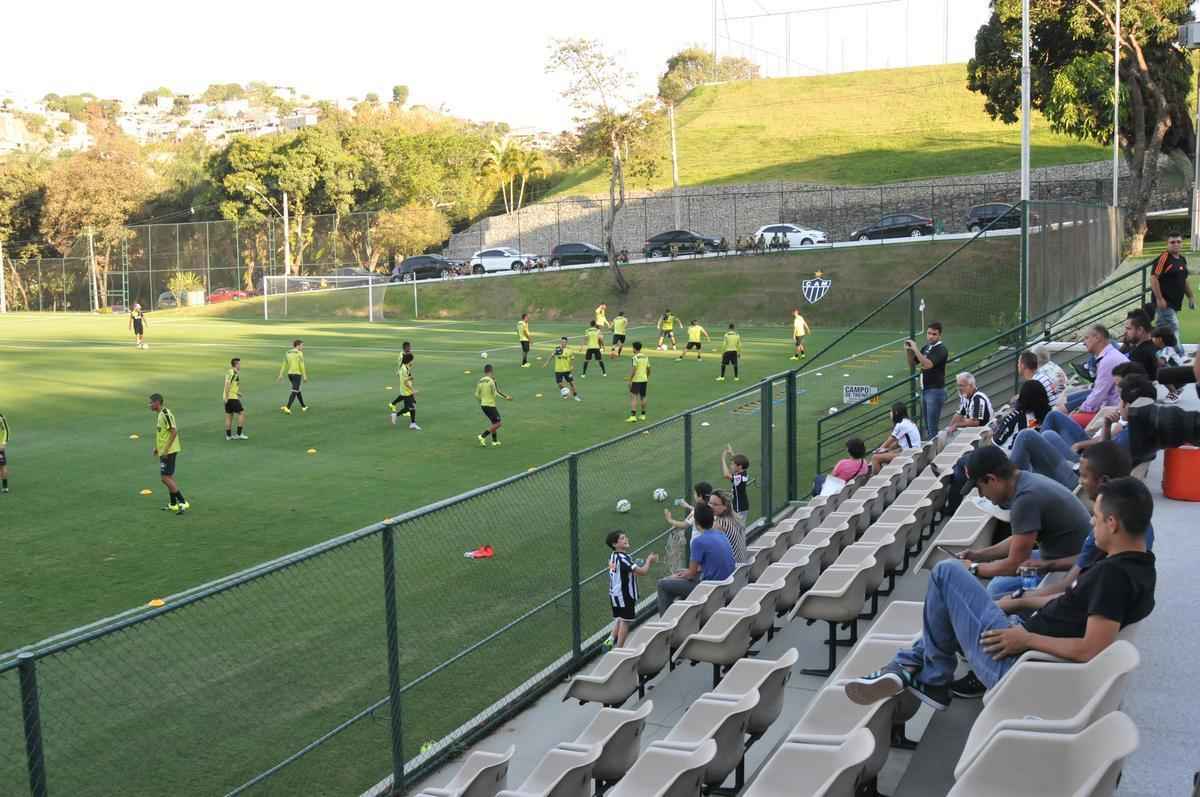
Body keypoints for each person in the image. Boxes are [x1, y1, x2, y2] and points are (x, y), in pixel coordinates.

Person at [845, 476, 1156, 710]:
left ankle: (929, 676)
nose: (1092, 522)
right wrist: (1016, 602)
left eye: (1097, 517)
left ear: (1113, 523)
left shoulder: (1113, 577)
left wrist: (1026, 639)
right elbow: (1069, 604)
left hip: (1016, 664)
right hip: (1022, 645)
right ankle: (906, 666)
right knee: (964, 601)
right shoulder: (1138, 567)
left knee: (945, 573)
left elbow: (1091, 648)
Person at [956, 446, 1091, 599]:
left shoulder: (1025, 499)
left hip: (1071, 565)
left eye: (979, 488)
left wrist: (973, 569)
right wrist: (979, 555)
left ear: (992, 479)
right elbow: (1020, 539)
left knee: (995, 594)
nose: (981, 494)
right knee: (998, 585)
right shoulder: (1024, 480)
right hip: (1064, 554)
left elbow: (1016, 563)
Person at [655, 503, 736, 616]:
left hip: (710, 588)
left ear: (696, 522)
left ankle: (665, 625)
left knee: (662, 584)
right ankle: (684, 616)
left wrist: (679, 575)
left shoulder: (698, 541)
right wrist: (684, 573)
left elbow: (691, 574)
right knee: (679, 575)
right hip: (725, 584)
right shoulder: (720, 534)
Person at [605, 531, 658, 647]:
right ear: (615, 544)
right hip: (625, 595)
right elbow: (643, 572)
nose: (626, 539)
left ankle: (609, 640)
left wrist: (634, 566)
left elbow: (625, 572)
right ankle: (619, 650)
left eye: (625, 537)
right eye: (622, 538)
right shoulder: (624, 559)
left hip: (614, 594)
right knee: (626, 621)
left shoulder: (613, 557)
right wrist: (649, 560)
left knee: (619, 617)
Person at [1068, 325, 1127, 427]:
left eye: (1086, 338)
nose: (1083, 342)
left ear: (1097, 338)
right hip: (1114, 409)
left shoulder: (1108, 360)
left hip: (1114, 413)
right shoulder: (1111, 355)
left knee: (1068, 420)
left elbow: (1099, 394)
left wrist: (1080, 410)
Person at [1148, 231, 1194, 357]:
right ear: (1167, 244)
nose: (1176, 244)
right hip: (1165, 303)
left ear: (1182, 243)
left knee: (1162, 333)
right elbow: (1153, 278)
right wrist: (1159, 298)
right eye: (1172, 242)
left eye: (1178, 242)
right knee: (1173, 328)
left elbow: (1183, 280)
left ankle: (1148, 349)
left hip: (1174, 304)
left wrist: (1190, 296)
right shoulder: (1164, 258)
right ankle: (1181, 355)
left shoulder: (1182, 260)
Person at [905, 322, 949, 438]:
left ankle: (935, 454)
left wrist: (915, 349)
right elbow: (912, 364)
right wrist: (909, 351)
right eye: (929, 333)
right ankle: (933, 451)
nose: (930, 336)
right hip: (925, 390)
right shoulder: (927, 347)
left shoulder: (941, 349)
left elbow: (928, 364)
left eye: (934, 334)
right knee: (928, 426)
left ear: (940, 335)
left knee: (932, 427)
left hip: (935, 391)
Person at [149, 393, 188, 514]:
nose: (149, 405)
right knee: (168, 477)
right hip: (165, 450)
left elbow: (174, 431)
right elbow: (163, 433)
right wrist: (157, 447)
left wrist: (165, 450)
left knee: (165, 478)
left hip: (169, 451)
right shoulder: (160, 414)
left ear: (157, 402)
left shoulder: (165, 414)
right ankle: (173, 504)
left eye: (151, 402)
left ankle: (182, 502)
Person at [664, 482, 713, 571]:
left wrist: (670, 519)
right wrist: (688, 506)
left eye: (695, 493)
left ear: (700, 496)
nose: (694, 495)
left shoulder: (697, 511)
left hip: (698, 545)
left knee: (697, 568)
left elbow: (684, 525)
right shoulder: (711, 506)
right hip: (708, 543)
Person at [870, 403, 922, 474]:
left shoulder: (901, 425)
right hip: (914, 453)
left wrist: (879, 450)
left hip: (909, 455)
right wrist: (888, 449)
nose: (890, 413)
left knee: (875, 458)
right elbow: (898, 443)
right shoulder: (909, 422)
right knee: (888, 452)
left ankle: (879, 481)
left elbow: (890, 440)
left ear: (896, 412)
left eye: (891, 411)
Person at [475, 363, 512, 447]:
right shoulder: (491, 381)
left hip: (483, 405)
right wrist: (506, 397)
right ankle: (482, 436)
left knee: (494, 422)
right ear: (491, 371)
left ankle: (494, 441)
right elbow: (495, 393)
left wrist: (481, 401)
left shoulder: (480, 380)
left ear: (485, 371)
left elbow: (476, 394)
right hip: (490, 405)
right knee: (498, 423)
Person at [709, 490, 749, 562]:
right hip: (740, 567)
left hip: (732, 569)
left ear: (725, 507)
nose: (711, 507)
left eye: (715, 504)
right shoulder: (734, 518)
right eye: (710, 503)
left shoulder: (721, 523)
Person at [1121, 310, 1159, 381]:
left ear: (1140, 330)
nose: (1125, 332)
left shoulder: (1141, 353)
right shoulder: (1147, 348)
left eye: (1128, 329)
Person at [720, 444, 752, 525]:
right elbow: (739, 462)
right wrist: (731, 453)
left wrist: (723, 459)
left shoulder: (739, 477)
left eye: (732, 464)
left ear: (739, 467)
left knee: (737, 528)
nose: (730, 466)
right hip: (742, 506)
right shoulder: (743, 472)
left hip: (739, 507)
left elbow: (726, 475)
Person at [544, 336, 582, 401]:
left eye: (564, 342)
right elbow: (551, 356)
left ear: (566, 342)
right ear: (560, 342)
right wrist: (547, 362)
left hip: (567, 370)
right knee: (559, 384)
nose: (563, 343)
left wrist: (572, 365)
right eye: (562, 342)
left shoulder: (569, 350)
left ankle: (575, 395)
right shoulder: (557, 349)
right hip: (558, 370)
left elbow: (572, 358)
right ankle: (565, 392)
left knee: (572, 383)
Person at [389, 352, 421, 430]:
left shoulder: (405, 366)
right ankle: (412, 423)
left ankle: (397, 416)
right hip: (406, 391)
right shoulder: (404, 369)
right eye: (412, 360)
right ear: (409, 360)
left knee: (409, 407)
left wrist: (409, 377)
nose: (413, 362)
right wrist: (413, 390)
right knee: (412, 407)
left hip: (406, 390)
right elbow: (405, 383)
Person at [277, 339, 308, 414]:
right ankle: (287, 407)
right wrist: (304, 376)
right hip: (297, 374)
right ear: (298, 345)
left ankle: (303, 406)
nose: (302, 347)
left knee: (297, 390)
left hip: (290, 374)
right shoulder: (299, 353)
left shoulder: (287, 352)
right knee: (295, 391)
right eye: (302, 345)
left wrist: (280, 375)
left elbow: (284, 364)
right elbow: (302, 365)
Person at [223, 358, 248, 441]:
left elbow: (232, 385)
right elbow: (227, 385)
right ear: (236, 364)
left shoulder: (230, 372)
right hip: (231, 398)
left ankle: (228, 436)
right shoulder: (233, 373)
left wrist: (237, 392)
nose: (240, 365)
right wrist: (227, 397)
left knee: (229, 416)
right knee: (242, 413)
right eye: (239, 364)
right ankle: (239, 434)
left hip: (229, 396)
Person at [627, 341, 651, 422]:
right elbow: (649, 369)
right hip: (644, 379)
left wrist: (630, 380)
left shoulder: (635, 358)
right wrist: (647, 376)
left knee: (633, 397)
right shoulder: (645, 357)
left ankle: (633, 416)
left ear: (634, 348)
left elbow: (634, 369)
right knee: (643, 396)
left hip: (636, 380)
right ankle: (643, 415)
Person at [0, 411, 9, 493]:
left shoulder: (0, 417)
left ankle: (5, 486)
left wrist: (3, 443)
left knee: (2, 466)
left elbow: (6, 430)